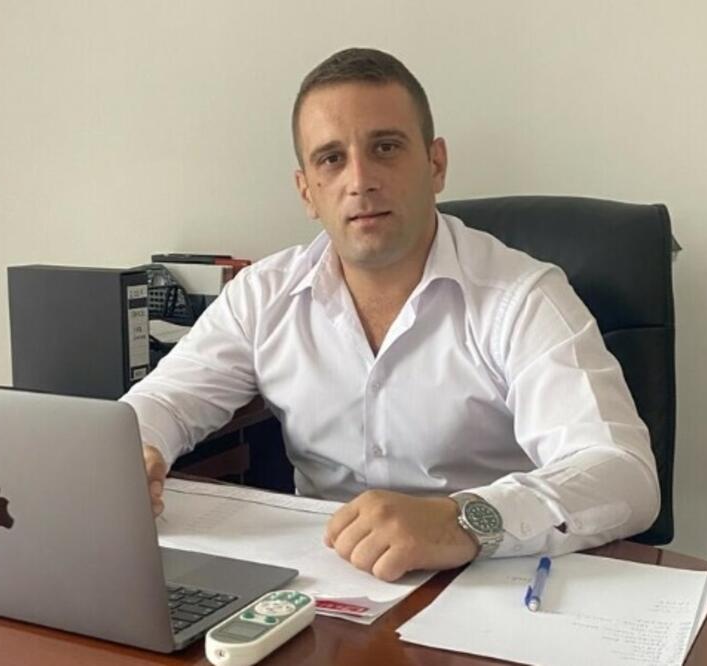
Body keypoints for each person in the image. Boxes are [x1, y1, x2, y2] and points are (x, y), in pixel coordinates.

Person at [121, 47, 660, 582]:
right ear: (307, 191)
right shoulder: (264, 294)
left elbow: (624, 475)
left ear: (436, 164)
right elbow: (164, 401)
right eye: (331, 159)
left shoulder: (520, 298)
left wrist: (460, 521)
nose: (360, 180)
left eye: (385, 147)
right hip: (319, 585)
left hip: (486, 584)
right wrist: (136, 451)